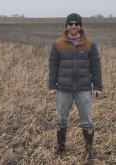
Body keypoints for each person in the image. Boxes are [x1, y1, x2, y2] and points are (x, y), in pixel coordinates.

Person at [48, 13, 102, 160]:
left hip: (83, 89)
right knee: (60, 119)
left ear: (80, 26)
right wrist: (52, 85)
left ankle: (89, 150)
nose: (73, 26)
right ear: (66, 25)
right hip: (64, 89)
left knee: (87, 120)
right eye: (70, 23)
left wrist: (97, 86)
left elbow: (96, 66)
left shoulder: (90, 44)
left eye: (76, 23)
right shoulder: (58, 44)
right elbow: (53, 66)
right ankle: (60, 147)